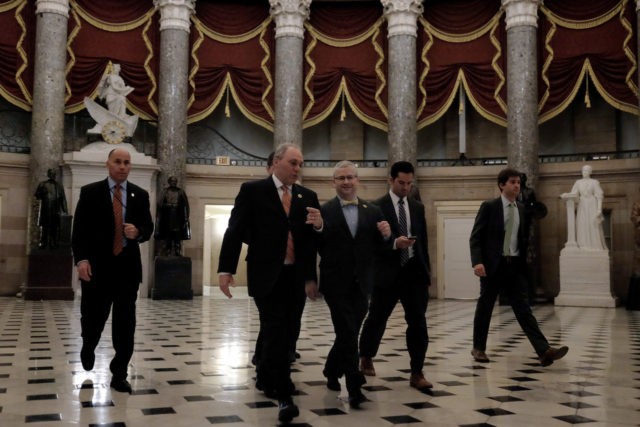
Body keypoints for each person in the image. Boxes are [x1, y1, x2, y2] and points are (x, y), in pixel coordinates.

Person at [217, 143, 321, 423]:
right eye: (292, 163)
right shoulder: (253, 191)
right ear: (276, 162)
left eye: (300, 163)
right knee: (276, 328)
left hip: (295, 276)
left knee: (290, 328)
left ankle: (264, 374)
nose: (297, 169)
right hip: (266, 274)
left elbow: (310, 241)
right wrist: (225, 269)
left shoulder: (307, 195)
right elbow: (234, 230)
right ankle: (284, 392)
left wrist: (311, 274)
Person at [71, 148, 154, 393]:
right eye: (118, 162)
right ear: (108, 164)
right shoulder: (90, 193)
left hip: (127, 271)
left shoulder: (140, 195)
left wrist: (137, 232)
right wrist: (81, 260)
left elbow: (148, 227)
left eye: (127, 163)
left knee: (125, 324)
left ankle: (119, 374)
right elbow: (80, 232)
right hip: (96, 270)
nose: (122, 166)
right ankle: (88, 345)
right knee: (93, 318)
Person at [469, 168, 568, 366]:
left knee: (523, 309)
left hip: (515, 267)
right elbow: (476, 237)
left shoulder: (522, 209)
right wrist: (477, 261)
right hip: (493, 266)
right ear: (501, 185)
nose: (517, 185)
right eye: (512, 182)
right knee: (485, 307)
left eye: (518, 183)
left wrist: (526, 265)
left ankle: (544, 351)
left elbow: (523, 240)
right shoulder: (489, 206)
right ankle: (478, 348)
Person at [312, 160, 391, 408]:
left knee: (349, 332)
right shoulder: (323, 211)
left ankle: (330, 368)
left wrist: (388, 236)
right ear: (333, 182)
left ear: (358, 180)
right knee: (347, 330)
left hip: (363, 283)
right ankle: (354, 385)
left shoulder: (373, 210)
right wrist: (318, 229)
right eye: (341, 178)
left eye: (351, 177)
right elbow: (318, 246)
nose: (346, 182)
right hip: (336, 284)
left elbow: (381, 249)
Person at [359, 161, 433, 390]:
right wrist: (393, 244)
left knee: (418, 323)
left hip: (414, 273)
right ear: (390, 180)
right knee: (377, 319)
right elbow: (370, 245)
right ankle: (366, 356)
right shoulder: (376, 207)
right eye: (401, 182)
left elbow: (424, 243)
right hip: (387, 274)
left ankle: (417, 371)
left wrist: (427, 273)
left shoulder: (417, 207)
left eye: (409, 183)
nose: (405, 187)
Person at [570, 165, 607, 250]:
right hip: (582, 205)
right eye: (583, 170)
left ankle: (594, 245)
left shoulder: (594, 182)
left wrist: (599, 209)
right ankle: (583, 245)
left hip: (592, 204)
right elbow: (573, 194)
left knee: (593, 224)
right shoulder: (578, 182)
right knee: (582, 223)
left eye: (586, 170)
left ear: (590, 172)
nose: (584, 172)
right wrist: (567, 195)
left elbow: (599, 195)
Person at [154, 176, 191, 256]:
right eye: (172, 181)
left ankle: (177, 250)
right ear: (169, 182)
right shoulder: (165, 192)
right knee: (168, 232)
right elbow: (159, 204)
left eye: (175, 181)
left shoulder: (180, 192)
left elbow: (185, 205)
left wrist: (186, 217)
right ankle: (168, 250)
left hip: (177, 215)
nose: (174, 182)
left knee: (177, 232)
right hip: (167, 215)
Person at [34, 168, 68, 249]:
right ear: (48, 174)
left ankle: (53, 243)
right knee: (45, 226)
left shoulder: (59, 186)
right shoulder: (42, 184)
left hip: (55, 209)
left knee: (54, 227)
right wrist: (42, 193)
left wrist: (65, 211)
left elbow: (63, 199)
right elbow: (37, 196)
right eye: (51, 173)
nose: (53, 175)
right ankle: (44, 242)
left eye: (54, 174)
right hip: (45, 209)